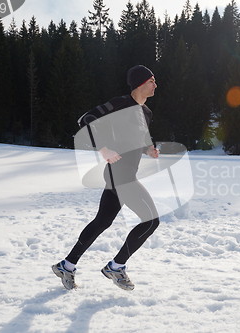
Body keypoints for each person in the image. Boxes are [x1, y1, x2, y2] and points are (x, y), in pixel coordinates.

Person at [52, 65, 160, 291]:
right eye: (151, 81)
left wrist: (148, 150)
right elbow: (86, 119)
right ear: (140, 83)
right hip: (119, 173)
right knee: (151, 221)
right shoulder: (120, 104)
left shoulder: (146, 113)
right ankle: (116, 266)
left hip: (125, 173)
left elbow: (135, 143)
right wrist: (103, 149)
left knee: (103, 221)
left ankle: (67, 265)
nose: (155, 85)